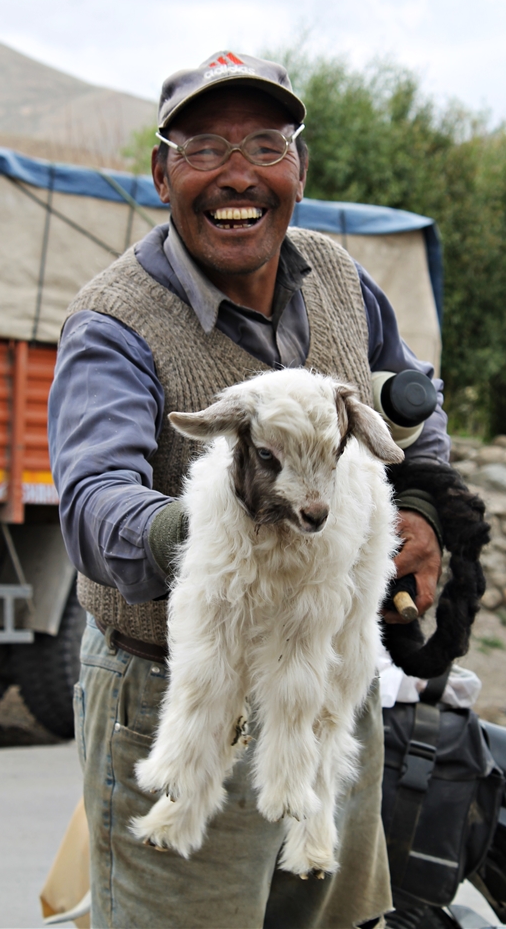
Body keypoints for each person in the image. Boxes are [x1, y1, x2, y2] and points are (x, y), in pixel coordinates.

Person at [49, 51, 450, 929]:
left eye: (265, 144)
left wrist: (421, 510)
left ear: (298, 169)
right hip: (181, 686)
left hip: (328, 681)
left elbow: (414, 403)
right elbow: (92, 501)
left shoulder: (339, 278)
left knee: (329, 917)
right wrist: (204, 535)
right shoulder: (114, 323)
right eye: (203, 149)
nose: (239, 175)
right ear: (163, 174)